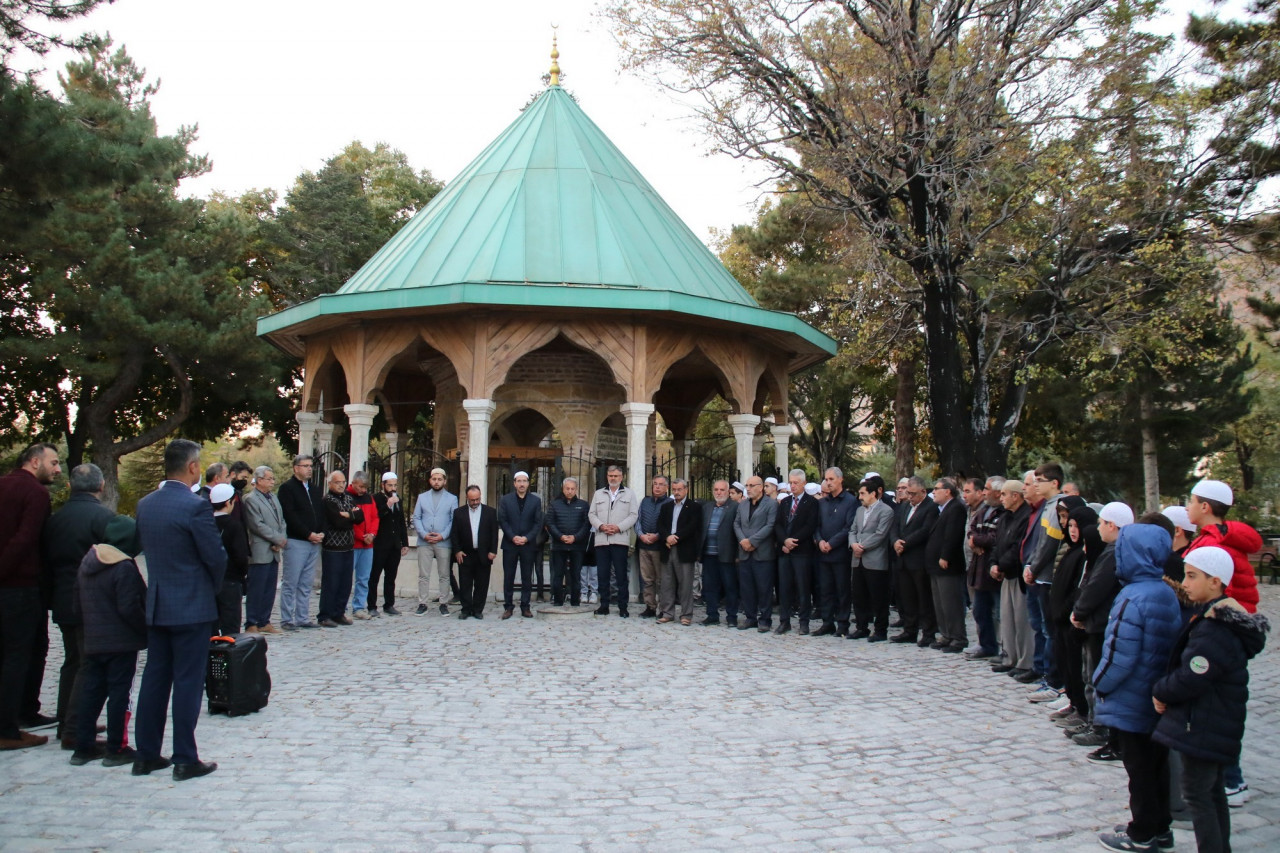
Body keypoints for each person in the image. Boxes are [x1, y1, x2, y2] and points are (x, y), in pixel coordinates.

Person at [1152, 546, 1269, 853]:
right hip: (1210, 720)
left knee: (1198, 794)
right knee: (1212, 791)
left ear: (1215, 582)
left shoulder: (1215, 628)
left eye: (1192, 576)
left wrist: (1161, 691)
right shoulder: (1212, 617)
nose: (1185, 583)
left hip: (1203, 723)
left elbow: (1194, 674)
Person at [132, 438, 225, 780]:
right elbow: (214, 556)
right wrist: (210, 589)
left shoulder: (146, 504)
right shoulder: (195, 506)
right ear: (192, 467)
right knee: (187, 680)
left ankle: (145, 753)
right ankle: (185, 756)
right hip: (191, 605)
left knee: (155, 678)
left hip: (158, 603)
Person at [1092, 522, 1182, 853]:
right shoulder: (1164, 590)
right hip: (1155, 694)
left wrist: (1100, 684)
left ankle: (1142, 832)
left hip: (1132, 698)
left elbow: (1119, 654)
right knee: (1155, 764)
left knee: (1139, 770)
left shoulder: (1132, 597)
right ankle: (1160, 827)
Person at [42, 462, 138, 749]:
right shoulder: (104, 518)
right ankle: (74, 729)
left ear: (71, 486)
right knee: (88, 667)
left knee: (72, 661)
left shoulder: (54, 520)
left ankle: (69, 720)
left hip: (62, 598)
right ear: (101, 486)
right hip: (93, 604)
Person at [1184, 479, 1263, 809]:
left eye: (1191, 501)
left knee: (1218, 708)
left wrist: (1215, 619)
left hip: (1219, 631)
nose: (1187, 507)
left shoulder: (1218, 544)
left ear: (1205, 507)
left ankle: (1231, 780)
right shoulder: (1208, 538)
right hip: (1209, 627)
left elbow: (1234, 593)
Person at [0, 442, 62, 751]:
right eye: (53, 462)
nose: (57, 469)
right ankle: (10, 726)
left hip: (12, 585)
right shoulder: (35, 494)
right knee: (19, 655)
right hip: (20, 586)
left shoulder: (4, 485)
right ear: (34, 461)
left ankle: (22, 713)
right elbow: (26, 539)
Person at [69, 541, 147, 767]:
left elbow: (76, 605)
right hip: (121, 643)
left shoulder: (86, 563)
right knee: (119, 695)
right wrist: (145, 631)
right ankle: (116, 748)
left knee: (90, 693)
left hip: (93, 641)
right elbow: (129, 607)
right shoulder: (123, 567)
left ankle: (82, 747)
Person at [1070, 501, 1132, 760]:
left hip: (1101, 623)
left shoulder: (1114, 552)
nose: (1097, 528)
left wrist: (1079, 611)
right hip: (1101, 620)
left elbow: (1097, 586)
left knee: (1098, 676)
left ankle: (1102, 728)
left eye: (1101, 523)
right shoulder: (1113, 549)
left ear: (1112, 525)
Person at [277, 455, 326, 630]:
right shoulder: (287, 489)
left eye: (310, 466)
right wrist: (307, 534)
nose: (309, 469)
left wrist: (321, 533)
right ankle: (287, 619)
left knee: (306, 582)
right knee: (291, 581)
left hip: (314, 542)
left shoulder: (314, 489)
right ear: (296, 468)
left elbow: (320, 512)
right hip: (297, 540)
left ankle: (303, 617)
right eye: (305, 466)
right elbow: (290, 516)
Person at [991, 480, 1034, 677]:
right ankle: (1010, 656)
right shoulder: (1006, 517)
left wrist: (1002, 565)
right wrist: (994, 563)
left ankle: (1025, 661)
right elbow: (997, 542)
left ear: (1015, 496)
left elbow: (1018, 547)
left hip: (1017, 573)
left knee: (1021, 619)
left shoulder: (1025, 516)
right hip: (1005, 573)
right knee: (1007, 618)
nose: (1001, 498)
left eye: (1004, 495)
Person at [848, 476, 895, 641]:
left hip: (875, 560)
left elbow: (880, 534)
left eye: (862, 493)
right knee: (859, 596)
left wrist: (862, 546)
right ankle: (861, 627)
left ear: (873, 494)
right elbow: (852, 530)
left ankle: (880, 630)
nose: (859, 497)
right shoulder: (859, 511)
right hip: (857, 559)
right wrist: (854, 545)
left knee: (878, 597)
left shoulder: (886, 511)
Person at [892, 476, 937, 646]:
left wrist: (906, 543)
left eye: (913, 493)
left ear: (923, 492)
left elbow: (925, 530)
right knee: (907, 597)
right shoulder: (903, 507)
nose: (909, 496)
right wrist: (895, 541)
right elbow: (895, 527)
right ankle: (909, 630)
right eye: (908, 493)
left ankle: (928, 632)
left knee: (923, 598)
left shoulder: (930, 508)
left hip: (918, 559)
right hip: (902, 558)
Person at [925, 478, 969, 652]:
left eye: (937, 489)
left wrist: (945, 555)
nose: (933, 492)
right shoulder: (943, 509)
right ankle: (946, 634)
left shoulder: (956, 508)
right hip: (936, 565)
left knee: (951, 603)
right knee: (940, 603)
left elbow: (953, 534)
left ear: (948, 491)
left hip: (948, 565)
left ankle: (958, 637)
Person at [241, 465, 286, 634]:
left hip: (274, 549)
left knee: (269, 587)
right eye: (269, 479)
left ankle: (264, 620)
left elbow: (281, 520)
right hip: (260, 549)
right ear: (259, 480)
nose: (272, 482)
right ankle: (251, 622)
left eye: (273, 479)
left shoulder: (273, 498)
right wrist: (276, 538)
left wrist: (281, 539)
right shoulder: (251, 499)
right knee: (257, 588)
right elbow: (257, 525)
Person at [964, 476, 1005, 660]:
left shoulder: (1003, 512)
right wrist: (974, 539)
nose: (985, 492)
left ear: (998, 492)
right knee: (980, 610)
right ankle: (985, 644)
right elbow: (972, 529)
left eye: (987, 489)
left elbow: (995, 538)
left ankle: (1001, 646)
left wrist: (976, 540)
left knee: (998, 612)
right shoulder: (984, 510)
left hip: (993, 568)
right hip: (979, 567)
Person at [813, 468, 857, 637]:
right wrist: (820, 541)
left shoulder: (850, 501)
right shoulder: (822, 503)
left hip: (840, 554)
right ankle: (827, 622)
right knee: (825, 590)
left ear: (840, 480)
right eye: (826, 479)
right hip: (823, 553)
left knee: (842, 590)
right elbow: (816, 526)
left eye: (831, 479)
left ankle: (843, 623)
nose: (828, 482)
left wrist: (831, 543)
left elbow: (849, 527)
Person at [589, 466, 638, 618]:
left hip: (620, 540)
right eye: (610, 475)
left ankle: (623, 606)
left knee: (621, 575)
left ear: (621, 477)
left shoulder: (629, 494)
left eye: (616, 475)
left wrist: (618, 527)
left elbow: (633, 515)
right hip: (602, 540)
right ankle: (604, 605)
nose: (613, 478)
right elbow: (591, 514)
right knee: (602, 574)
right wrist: (601, 526)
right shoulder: (598, 494)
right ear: (607, 477)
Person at [776, 469, 819, 635]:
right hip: (785, 551)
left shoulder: (812, 502)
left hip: (802, 551)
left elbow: (810, 526)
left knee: (803, 588)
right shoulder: (785, 502)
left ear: (804, 483)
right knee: (784, 588)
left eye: (796, 483)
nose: (792, 486)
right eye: (791, 483)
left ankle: (803, 622)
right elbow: (778, 524)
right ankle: (784, 621)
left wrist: (794, 541)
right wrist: (784, 540)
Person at [497, 471, 544, 619]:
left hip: (528, 544)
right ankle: (508, 607)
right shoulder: (505, 500)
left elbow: (537, 523)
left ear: (528, 483)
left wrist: (526, 538)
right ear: (514, 483)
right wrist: (513, 537)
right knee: (509, 577)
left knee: (526, 577)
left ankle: (525, 606)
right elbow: (502, 520)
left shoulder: (535, 501)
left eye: (524, 481)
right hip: (510, 544)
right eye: (519, 481)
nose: (522, 484)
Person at [734, 476, 778, 632]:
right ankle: (750, 617)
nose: (748, 488)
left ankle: (765, 619)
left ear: (761, 487)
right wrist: (743, 541)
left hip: (762, 553)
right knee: (747, 588)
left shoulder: (771, 504)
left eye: (752, 485)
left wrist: (752, 541)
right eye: (747, 485)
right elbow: (737, 523)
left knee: (764, 588)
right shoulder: (743, 504)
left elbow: (770, 525)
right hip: (745, 552)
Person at [656, 478, 702, 626]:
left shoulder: (694, 507)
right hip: (667, 548)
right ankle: (667, 613)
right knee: (667, 583)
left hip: (684, 548)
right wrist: (667, 537)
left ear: (686, 490)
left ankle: (686, 614)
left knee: (685, 584)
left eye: (679, 490)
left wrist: (676, 537)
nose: (676, 492)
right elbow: (660, 525)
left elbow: (693, 526)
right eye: (674, 490)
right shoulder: (666, 507)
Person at [412, 468, 457, 616]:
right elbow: (416, 517)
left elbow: (453, 520)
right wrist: (424, 534)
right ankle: (422, 602)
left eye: (439, 479)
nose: (436, 482)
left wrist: (442, 535)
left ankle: (443, 603)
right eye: (434, 479)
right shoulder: (422, 497)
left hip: (443, 542)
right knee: (423, 574)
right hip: (424, 541)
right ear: (430, 480)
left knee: (444, 574)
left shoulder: (452, 499)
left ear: (444, 481)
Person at [318, 471, 360, 628]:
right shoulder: (327, 500)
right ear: (330, 484)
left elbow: (360, 516)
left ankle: (339, 612)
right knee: (331, 582)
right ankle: (325, 615)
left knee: (345, 583)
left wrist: (347, 515)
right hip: (333, 547)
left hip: (348, 546)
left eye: (343, 482)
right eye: (337, 482)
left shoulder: (349, 498)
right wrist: (351, 516)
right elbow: (337, 522)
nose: (341, 485)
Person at [451, 485, 498, 619]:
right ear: (467, 498)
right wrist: (457, 551)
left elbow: (494, 533)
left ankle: (478, 609)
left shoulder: (490, 512)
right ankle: (466, 609)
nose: (475, 502)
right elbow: (454, 534)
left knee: (482, 583)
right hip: (465, 554)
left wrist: (493, 551)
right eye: (472, 500)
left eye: (477, 499)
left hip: (484, 553)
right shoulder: (459, 512)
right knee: (465, 583)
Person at [210, 483, 248, 636]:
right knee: (231, 626)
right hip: (231, 580)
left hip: (210, 581)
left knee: (211, 626)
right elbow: (240, 556)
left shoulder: (205, 523)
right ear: (228, 502)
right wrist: (243, 574)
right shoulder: (234, 526)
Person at [699, 479, 738, 627]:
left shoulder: (734, 507)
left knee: (730, 587)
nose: (719, 492)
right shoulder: (707, 507)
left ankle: (732, 616)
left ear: (728, 492)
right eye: (716, 489)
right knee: (709, 586)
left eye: (722, 490)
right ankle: (712, 615)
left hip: (727, 555)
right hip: (709, 554)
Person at [545, 477, 590, 606]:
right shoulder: (554, 504)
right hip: (559, 545)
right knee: (558, 574)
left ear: (576, 489)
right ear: (563, 489)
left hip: (577, 546)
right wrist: (560, 536)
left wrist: (575, 537)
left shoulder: (583, 505)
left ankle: (575, 601)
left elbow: (586, 524)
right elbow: (550, 522)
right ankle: (558, 600)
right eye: (567, 488)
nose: (570, 491)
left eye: (572, 489)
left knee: (576, 575)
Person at [369, 473, 409, 616]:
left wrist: (405, 542)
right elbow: (376, 517)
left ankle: (389, 604)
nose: (392, 488)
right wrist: (388, 505)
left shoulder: (398, 499)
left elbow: (400, 522)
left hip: (394, 545)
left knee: (391, 576)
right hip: (380, 544)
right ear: (383, 485)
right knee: (374, 576)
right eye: (390, 485)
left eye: (395, 485)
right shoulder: (376, 498)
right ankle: (371, 605)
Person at [635, 475, 671, 618]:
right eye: (655, 484)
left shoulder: (670, 503)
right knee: (647, 579)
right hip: (644, 545)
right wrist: (640, 535)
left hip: (660, 546)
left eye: (661, 484)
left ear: (666, 488)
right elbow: (638, 520)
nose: (657, 487)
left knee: (662, 580)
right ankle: (650, 606)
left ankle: (664, 608)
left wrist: (657, 535)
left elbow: (668, 524)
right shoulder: (645, 501)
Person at [346, 472, 379, 620]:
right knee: (346, 577)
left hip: (368, 545)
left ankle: (359, 607)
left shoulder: (369, 498)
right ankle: (342, 607)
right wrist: (361, 536)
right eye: (361, 487)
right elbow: (350, 521)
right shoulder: (347, 497)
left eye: (365, 487)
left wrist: (372, 534)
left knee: (364, 578)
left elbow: (374, 517)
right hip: (353, 544)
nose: (363, 490)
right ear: (353, 483)